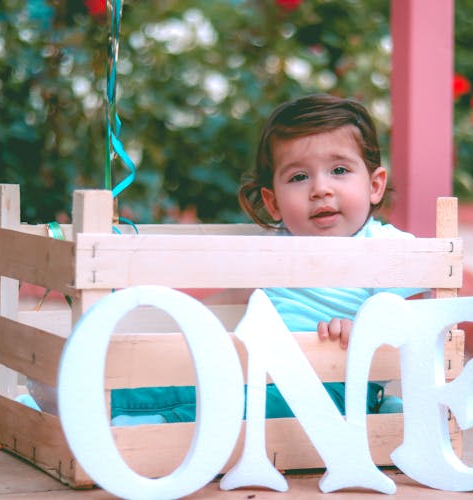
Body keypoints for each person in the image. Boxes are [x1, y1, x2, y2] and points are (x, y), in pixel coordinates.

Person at [110, 94, 425, 425]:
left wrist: (367, 330)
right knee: (176, 384)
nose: (320, 188)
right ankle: (102, 406)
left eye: (339, 170)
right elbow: (235, 297)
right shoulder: (273, 250)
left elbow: (418, 327)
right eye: (299, 177)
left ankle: (164, 426)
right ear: (273, 203)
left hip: (333, 389)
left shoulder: (389, 250)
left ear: (374, 186)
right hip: (258, 371)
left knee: (248, 406)